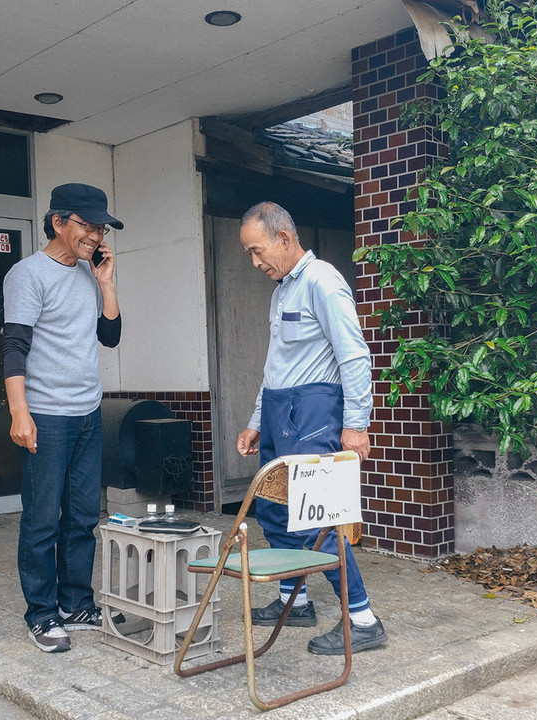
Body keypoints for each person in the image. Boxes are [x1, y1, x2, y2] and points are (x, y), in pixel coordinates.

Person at [235, 201, 386, 656]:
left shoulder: (323, 281)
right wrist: (257, 421)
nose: (255, 262)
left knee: (316, 521)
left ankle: (362, 618)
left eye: (258, 251)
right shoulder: (282, 290)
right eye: (249, 254)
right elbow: (275, 364)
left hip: (315, 409)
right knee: (275, 511)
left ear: (283, 237)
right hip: (281, 411)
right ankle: (294, 601)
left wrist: (357, 425)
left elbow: (355, 355)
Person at [2, 183, 123, 653]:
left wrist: (106, 281)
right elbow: (14, 348)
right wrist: (20, 413)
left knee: (80, 517)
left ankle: (76, 603)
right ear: (58, 222)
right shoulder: (27, 275)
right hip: (47, 416)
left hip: (87, 412)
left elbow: (109, 336)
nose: (95, 235)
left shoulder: (88, 275)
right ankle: (42, 613)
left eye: (100, 227)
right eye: (86, 225)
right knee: (41, 520)